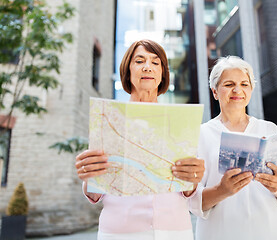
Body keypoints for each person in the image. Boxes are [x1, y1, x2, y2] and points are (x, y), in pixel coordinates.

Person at [75, 39, 204, 240]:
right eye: (139, 61)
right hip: (119, 230)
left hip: (174, 230)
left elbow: (189, 190)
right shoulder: (109, 119)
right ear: (127, 71)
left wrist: (194, 178)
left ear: (163, 74)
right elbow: (95, 193)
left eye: (155, 62)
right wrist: (89, 176)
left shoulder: (180, 122)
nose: (147, 67)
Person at [189, 56, 277, 240]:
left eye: (244, 84)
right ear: (215, 91)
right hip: (222, 232)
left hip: (273, 230)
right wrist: (222, 190)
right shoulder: (200, 135)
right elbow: (193, 201)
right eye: (229, 84)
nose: (237, 90)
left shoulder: (269, 129)